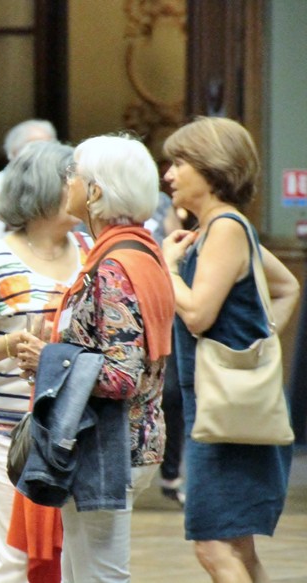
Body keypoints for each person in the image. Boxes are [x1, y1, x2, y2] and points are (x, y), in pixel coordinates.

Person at [16, 134, 175, 581]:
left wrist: (49, 358)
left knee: (100, 576)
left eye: (74, 175)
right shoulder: (141, 251)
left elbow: (122, 375)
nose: (66, 182)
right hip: (123, 441)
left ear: (96, 191)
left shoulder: (114, 266)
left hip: (110, 447)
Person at [0, 140, 92, 582]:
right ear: (46, 191)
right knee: (15, 557)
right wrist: (10, 345)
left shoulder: (89, 249)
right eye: (73, 180)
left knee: (70, 557)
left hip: (75, 425)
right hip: (7, 426)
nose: (84, 189)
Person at [160, 116, 299, 582]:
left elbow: (197, 314)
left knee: (214, 545)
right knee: (236, 544)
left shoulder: (224, 229)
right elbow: (288, 287)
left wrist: (168, 269)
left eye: (179, 162)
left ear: (212, 167)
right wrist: (258, 343)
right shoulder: (224, 228)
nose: (169, 174)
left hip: (225, 414)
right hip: (230, 406)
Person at [145, 190, 187, 506]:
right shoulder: (95, 202)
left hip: (163, 308)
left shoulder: (158, 201)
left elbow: (177, 242)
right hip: (120, 311)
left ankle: (171, 474)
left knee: (171, 394)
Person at [0, 119, 57, 254]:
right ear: (13, 152)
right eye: (35, 147)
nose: (43, 154)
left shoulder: (64, 185)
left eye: (49, 147)